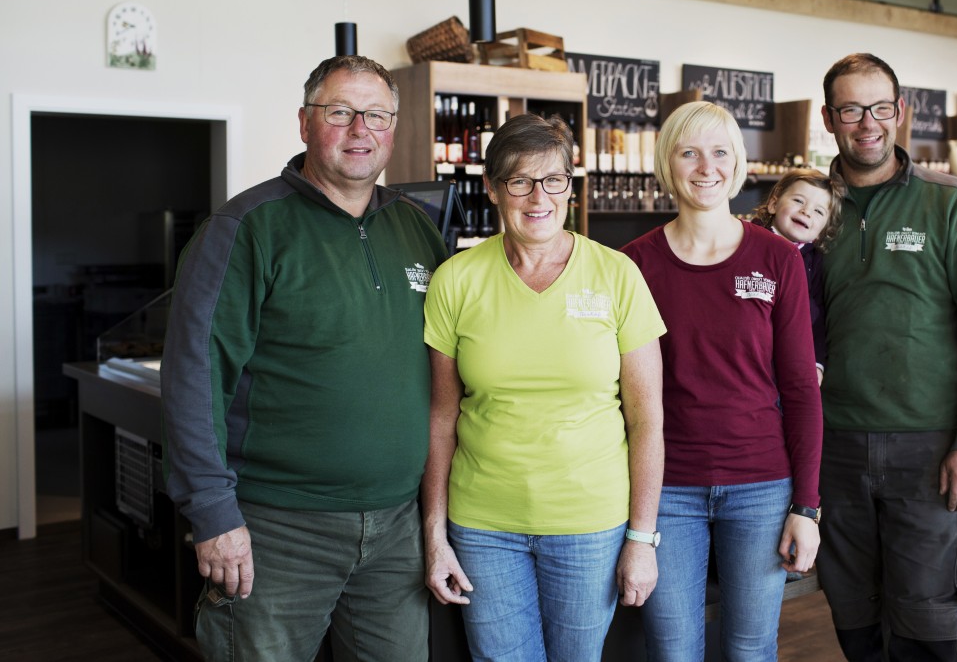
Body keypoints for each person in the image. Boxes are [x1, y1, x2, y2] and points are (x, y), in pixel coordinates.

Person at [160, 55, 448, 661]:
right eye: (339, 112)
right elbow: (194, 375)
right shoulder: (246, 227)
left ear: (394, 128)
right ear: (304, 123)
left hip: (397, 528)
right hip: (276, 530)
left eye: (376, 115)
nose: (359, 129)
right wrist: (212, 514)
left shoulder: (418, 229)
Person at [421, 112, 666, 662]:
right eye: (519, 181)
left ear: (570, 185)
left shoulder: (617, 274)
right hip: (484, 525)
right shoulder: (456, 279)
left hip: (590, 523)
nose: (539, 197)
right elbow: (441, 418)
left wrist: (642, 538)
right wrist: (435, 537)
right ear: (492, 188)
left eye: (553, 179)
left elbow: (646, 418)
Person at [816, 52, 957, 662]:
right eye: (850, 109)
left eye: (879, 108)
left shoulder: (953, 202)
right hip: (833, 449)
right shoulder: (808, 211)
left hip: (927, 451)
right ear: (829, 118)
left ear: (901, 113)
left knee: (927, 626)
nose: (866, 123)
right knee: (853, 619)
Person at [622, 101, 823, 662]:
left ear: (737, 164)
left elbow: (803, 391)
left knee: (751, 648)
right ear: (667, 163)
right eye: (689, 152)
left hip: (761, 488)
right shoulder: (634, 264)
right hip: (667, 491)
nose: (705, 167)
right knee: (672, 649)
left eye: (719, 153)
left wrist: (806, 507)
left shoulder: (778, 259)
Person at [751, 167, 846, 385]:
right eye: (798, 201)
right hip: (751, 361)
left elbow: (817, 318)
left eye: (819, 212)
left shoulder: (814, 261)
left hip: (791, 365)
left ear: (824, 230)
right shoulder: (750, 243)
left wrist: (816, 364)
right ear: (774, 203)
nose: (806, 212)